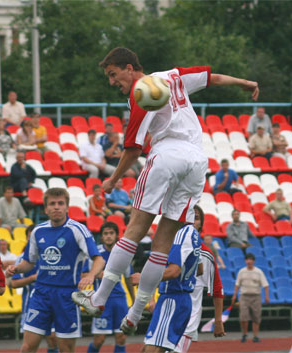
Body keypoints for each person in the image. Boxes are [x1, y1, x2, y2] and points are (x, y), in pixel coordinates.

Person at [72, 47, 258, 338]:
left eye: (113, 74)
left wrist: (112, 180)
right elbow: (214, 77)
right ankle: (136, 313)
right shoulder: (172, 76)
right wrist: (246, 83)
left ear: (130, 68)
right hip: (197, 162)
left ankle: (98, 297)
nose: (112, 82)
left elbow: (133, 150)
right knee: (162, 242)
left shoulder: (140, 92)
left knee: (133, 231)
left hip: (166, 156)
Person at [6, 188, 105, 353]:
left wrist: (91, 276)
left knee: (66, 349)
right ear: (45, 209)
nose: (56, 207)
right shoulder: (38, 231)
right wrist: (16, 268)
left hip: (67, 296)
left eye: (61, 203)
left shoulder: (77, 230)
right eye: (52, 204)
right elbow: (28, 263)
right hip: (41, 293)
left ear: (67, 207)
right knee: (27, 347)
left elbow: (99, 259)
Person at [139, 210, 202, 353]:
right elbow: (200, 269)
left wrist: (144, 277)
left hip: (172, 298)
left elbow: (174, 271)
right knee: (153, 346)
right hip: (181, 298)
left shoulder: (182, 234)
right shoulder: (194, 236)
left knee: (153, 347)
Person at [174, 205, 225, 353]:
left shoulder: (206, 255)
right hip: (166, 313)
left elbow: (217, 289)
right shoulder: (168, 246)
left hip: (187, 319)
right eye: (187, 216)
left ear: (201, 224)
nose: (190, 221)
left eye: (195, 217)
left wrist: (218, 321)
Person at [8, 225, 60, 353]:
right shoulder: (22, 259)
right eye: (30, 236)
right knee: (29, 346)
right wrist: (32, 278)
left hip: (51, 301)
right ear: (26, 238)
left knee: (53, 339)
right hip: (31, 304)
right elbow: (13, 284)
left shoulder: (51, 256)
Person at [86, 222, 135, 353]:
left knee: (121, 338)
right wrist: (97, 274)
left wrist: (134, 300)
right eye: (105, 234)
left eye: (111, 233)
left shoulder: (123, 254)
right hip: (102, 301)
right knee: (99, 340)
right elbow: (83, 274)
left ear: (116, 236)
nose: (108, 236)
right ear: (101, 237)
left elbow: (128, 278)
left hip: (119, 300)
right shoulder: (96, 254)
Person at [231, 253, 269, 343]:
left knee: (256, 316)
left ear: (253, 261)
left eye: (251, 259)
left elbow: (265, 285)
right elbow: (237, 284)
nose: (249, 261)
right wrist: (234, 295)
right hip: (244, 296)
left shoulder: (258, 272)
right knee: (243, 316)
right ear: (245, 261)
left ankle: (255, 336)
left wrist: (267, 296)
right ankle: (244, 334)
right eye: (247, 259)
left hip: (256, 296)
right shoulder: (241, 271)